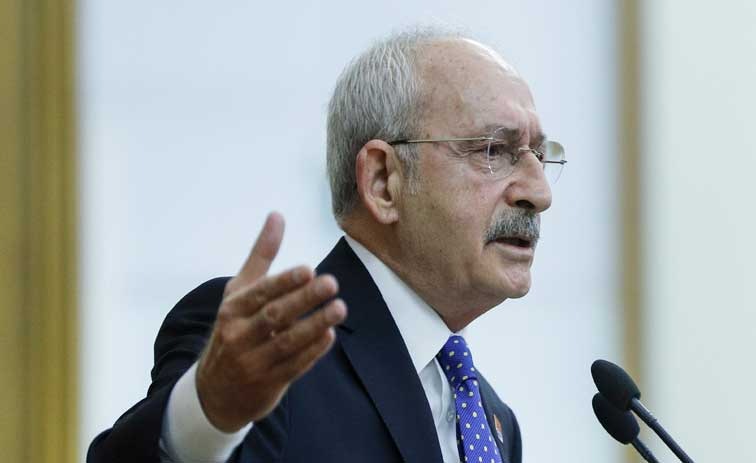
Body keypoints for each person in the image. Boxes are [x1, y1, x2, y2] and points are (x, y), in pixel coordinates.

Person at [87, 26, 564, 463]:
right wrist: (206, 417)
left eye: (540, 156)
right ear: (382, 181)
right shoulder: (268, 349)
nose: (539, 193)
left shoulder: (492, 420)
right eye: (493, 150)